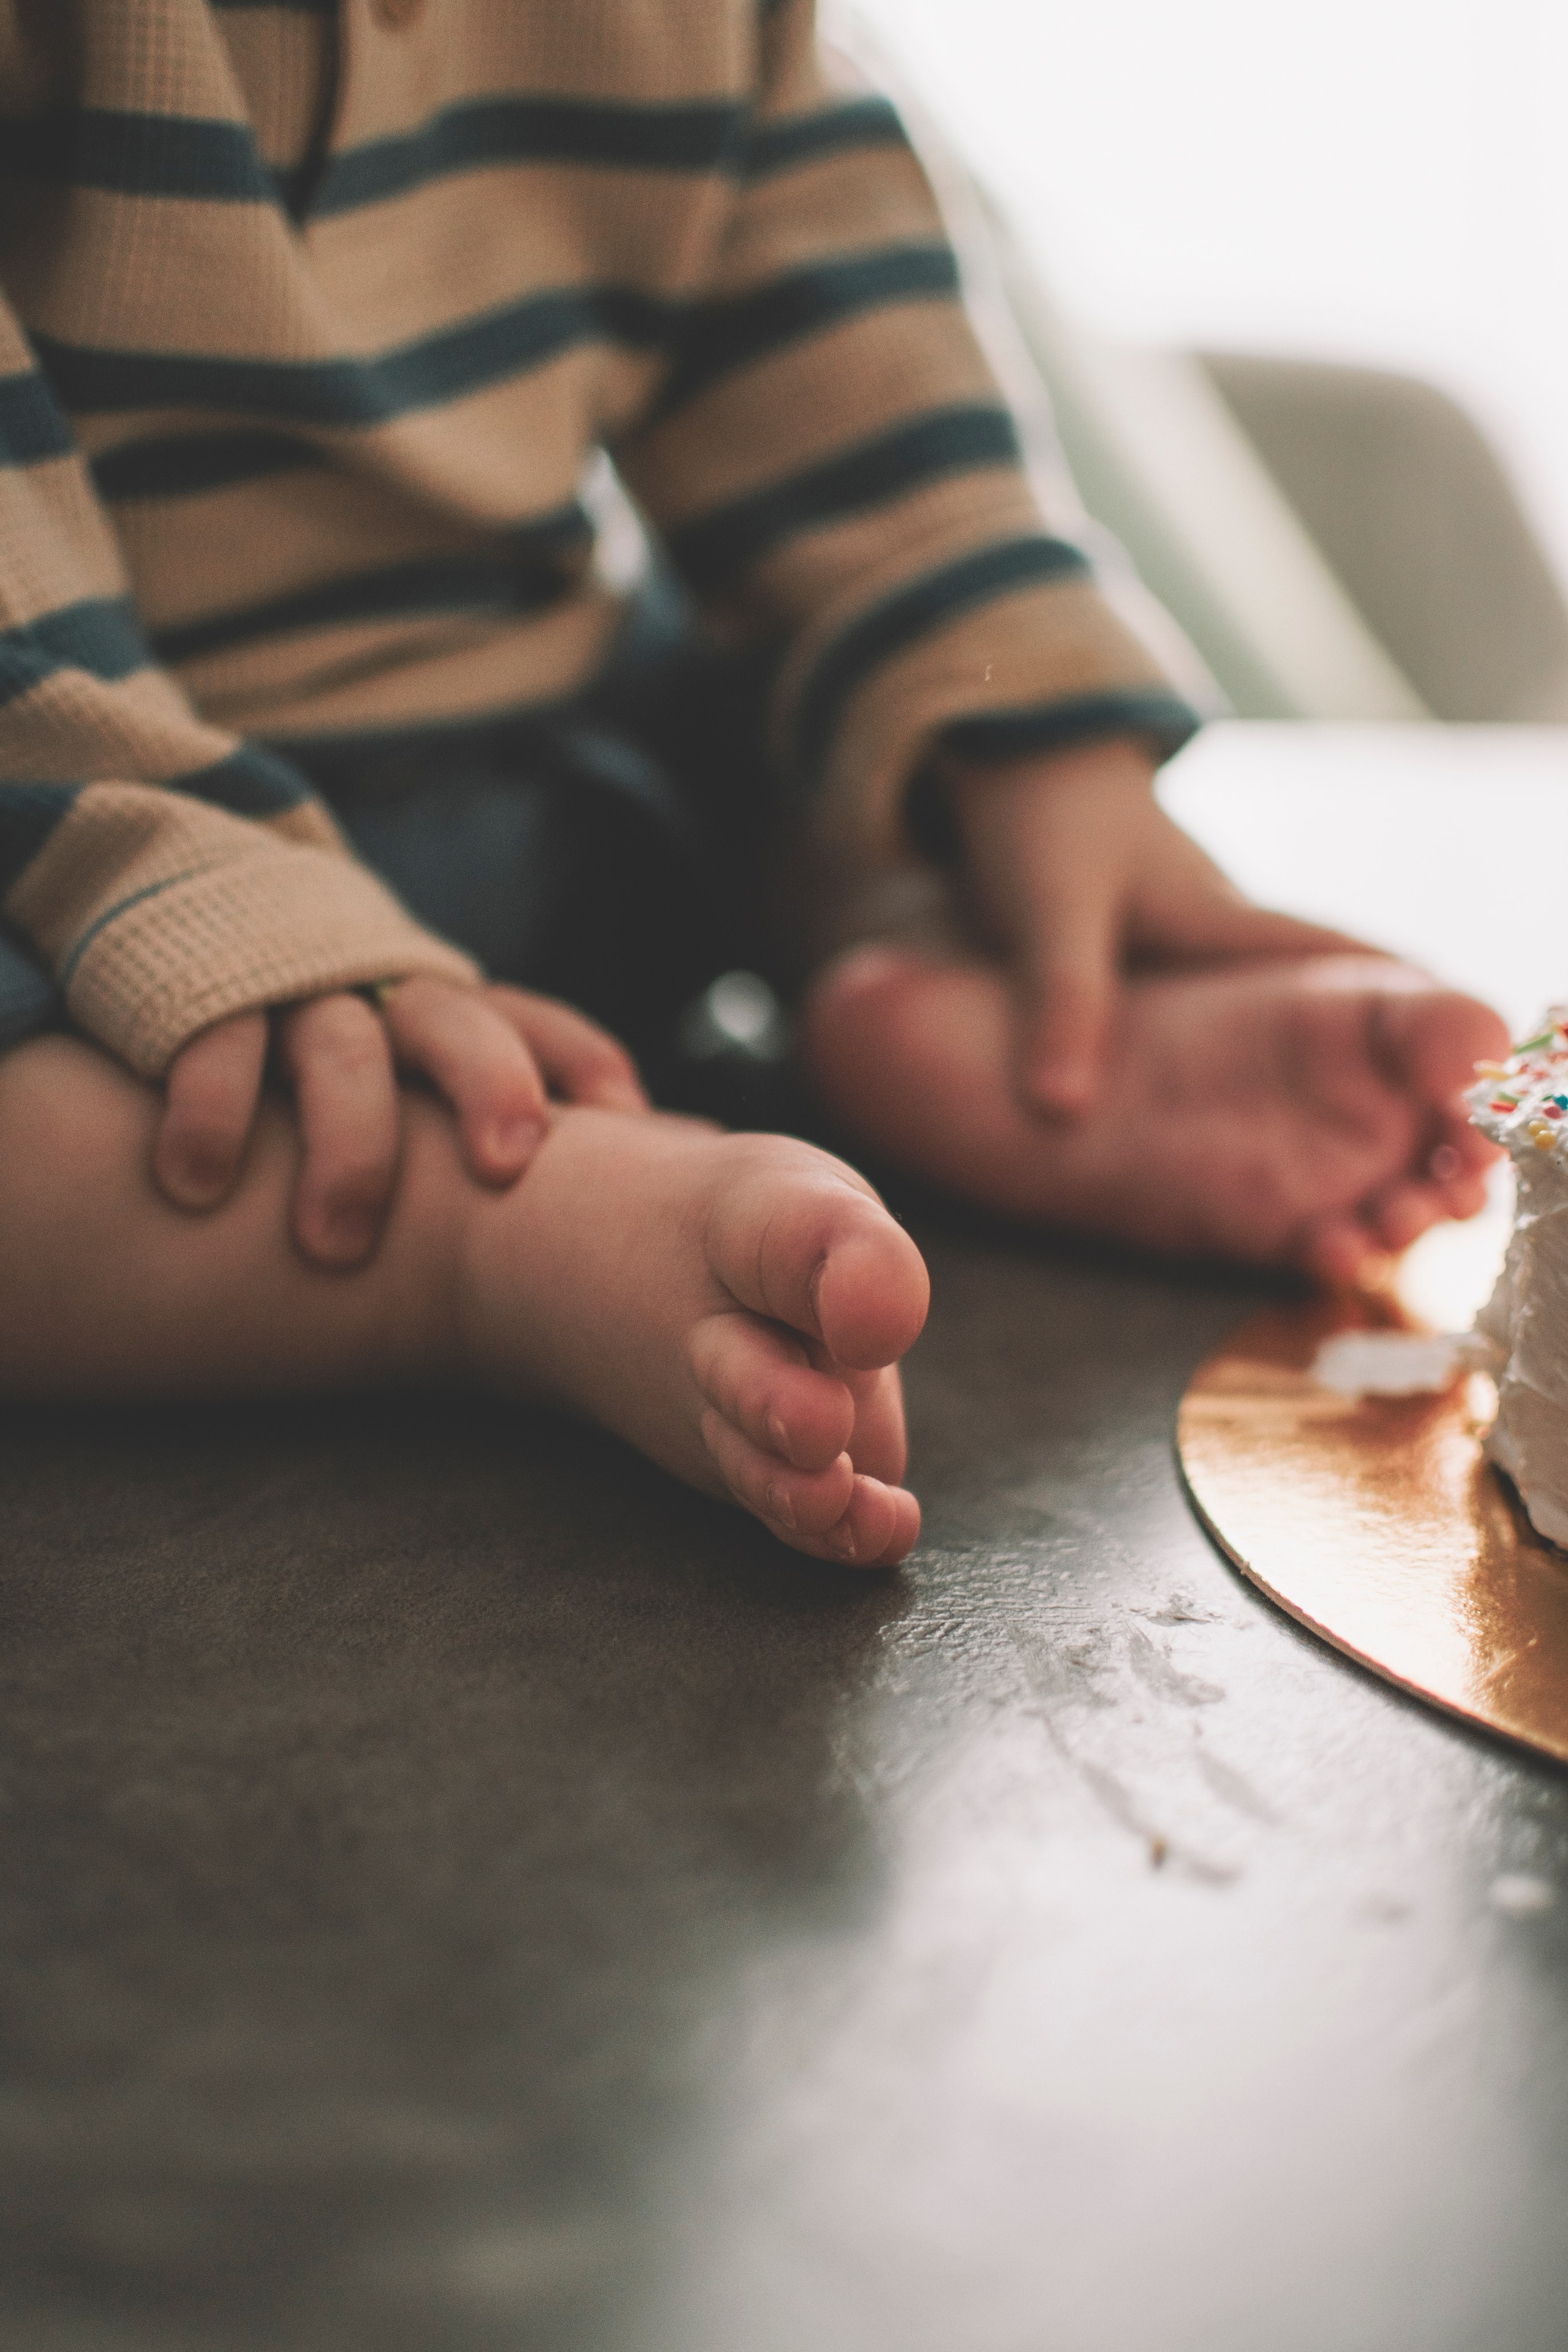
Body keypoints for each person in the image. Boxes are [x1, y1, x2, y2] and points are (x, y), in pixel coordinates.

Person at [0, 0, 1507, 1568]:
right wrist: (160, 864)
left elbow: (808, 278)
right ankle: (476, 1223)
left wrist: (1022, 729)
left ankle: (964, 975)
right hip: (90, 847)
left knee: (814, 710)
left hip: (541, 741)